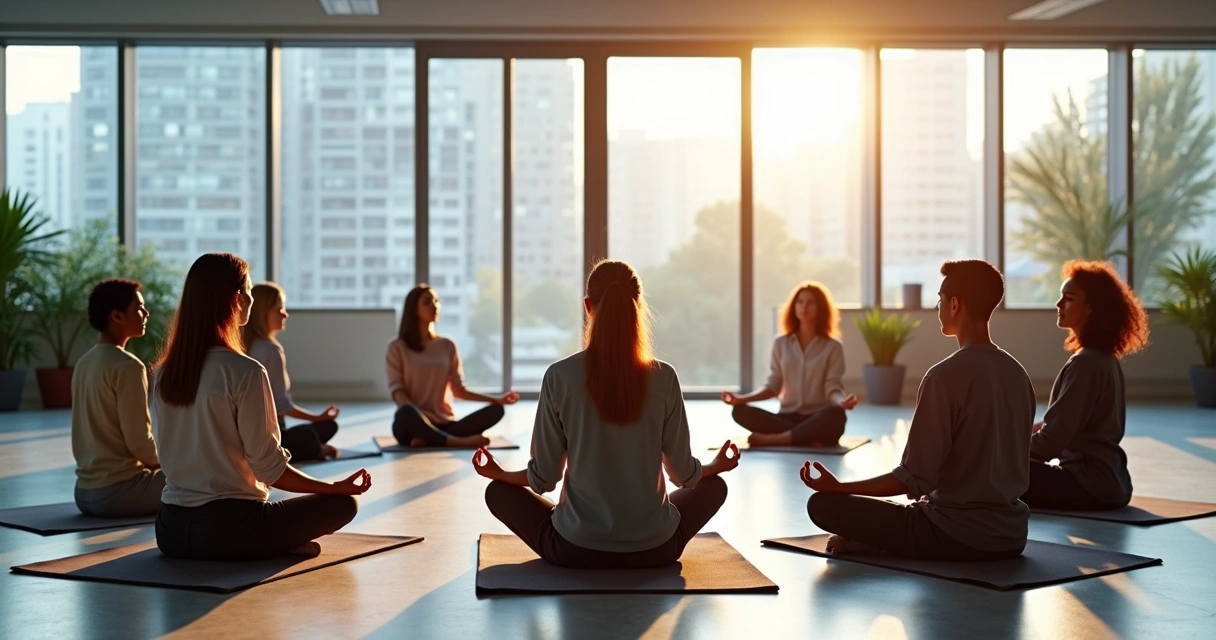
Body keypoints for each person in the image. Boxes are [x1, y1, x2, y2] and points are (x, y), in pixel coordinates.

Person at [472, 260, 740, 569]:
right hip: (655, 550)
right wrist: (716, 466)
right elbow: (682, 475)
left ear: (587, 306)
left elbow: (544, 478)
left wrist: (500, 474)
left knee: (498, 493)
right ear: (637, 305)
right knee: (714, 486)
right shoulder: (664, 377)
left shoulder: (559, 376)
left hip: (574, 549)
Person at [802, 260, 1034, 561]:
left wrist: (840, 487)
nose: (937, 307)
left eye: (939, 299)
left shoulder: (943, 377)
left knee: (822, 505)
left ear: (954, 305)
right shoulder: (1018, 374)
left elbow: (912, 478)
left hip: (953, 534)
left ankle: (882, 543)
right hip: (1011, 537)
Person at [152, 253, 371, 561]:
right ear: (236, 299)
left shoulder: (163, 372)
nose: (252, 300)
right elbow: (271, 469)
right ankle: (273, 545)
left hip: (170, 530)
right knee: (344, 504)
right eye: (250, 292)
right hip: (228, 530)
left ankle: (270, 543)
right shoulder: (245, 371)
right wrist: (332, 488)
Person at [1021, 260, 1150, 511]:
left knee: (987, 470)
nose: (1059, 305)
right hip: (1112, 483)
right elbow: (1056, 426)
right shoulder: (1103, 358)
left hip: (1089, 485)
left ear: (1091, 308)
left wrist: (999, 454)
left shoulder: (1086, 364)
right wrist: (1015, 437)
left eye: (1068, 298)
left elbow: (1049, 444)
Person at [722, 281, 857, 447]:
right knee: (740, 411)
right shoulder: (781, 343)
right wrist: (741, 399)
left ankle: (777, 439)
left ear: (820, 308)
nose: (804, 307)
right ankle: (805, 436)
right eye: (800, 302)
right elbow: (773, 386)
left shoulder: (833, 346)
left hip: (817, 416)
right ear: (794, 307)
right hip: (787, 416)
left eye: (810, 303)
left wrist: (841, 402)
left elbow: (833, 387)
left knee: (836, 415)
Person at [71, 279, 164, 517]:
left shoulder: (84, 363)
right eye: (139, 309)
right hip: (120, 493)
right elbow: (140, 443)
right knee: (200, 476)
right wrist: (174, 462)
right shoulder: (128, 366)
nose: (146, 313)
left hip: (83, 493)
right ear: (117, 316)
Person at [386, 284, 518, 448]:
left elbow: (459, 390)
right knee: (403, 414)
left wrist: (496, 399)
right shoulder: (397, 346)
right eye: (427, 302)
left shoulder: (447, 345)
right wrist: (423, 416)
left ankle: (430, 439)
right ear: (414, 309)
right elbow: (398, 393)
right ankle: (455, 441)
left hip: (445, 422)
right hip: (414, 422)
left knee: (497, 410)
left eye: (436, 301)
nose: (435, 305)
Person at [243, 282, 340, 461]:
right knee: (315, 432)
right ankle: (312, 449)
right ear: (262, 313)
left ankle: (306, 447)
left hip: (246, 436)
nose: (285, 314)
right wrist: (318, 418)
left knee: (322, 428)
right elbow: (282, 405)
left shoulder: (244, 346)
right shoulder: (270, 350)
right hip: (270, 437)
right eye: (279, 310)